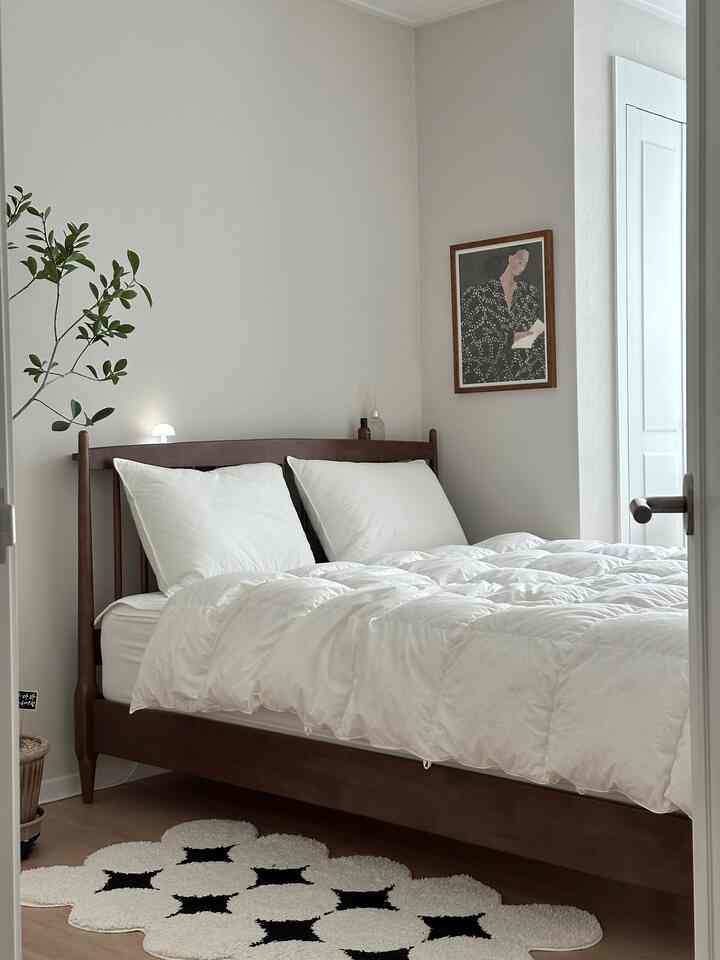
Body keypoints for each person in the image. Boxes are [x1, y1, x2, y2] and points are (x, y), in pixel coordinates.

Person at [460, 247, 546, 385]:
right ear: (509, 257)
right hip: (487, 375)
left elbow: (537, 332)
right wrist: (512, 338)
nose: (522, 267)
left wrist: (523, 337)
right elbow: (471, 342)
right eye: (520, 261)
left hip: (527, 373)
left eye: (525, 264)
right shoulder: (478, 293)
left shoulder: (529, 294)